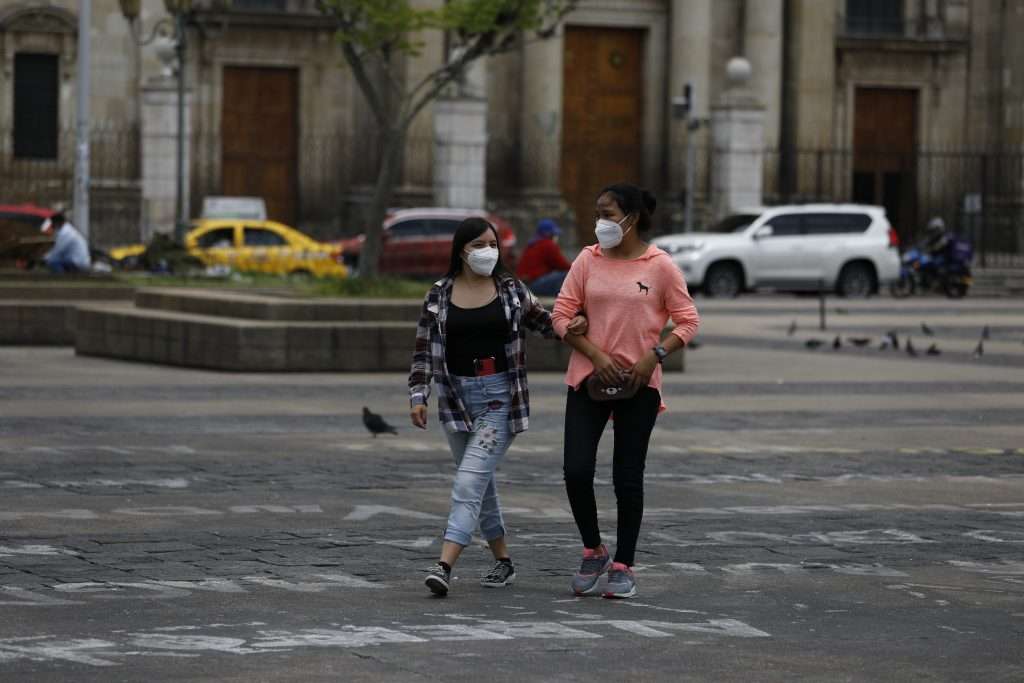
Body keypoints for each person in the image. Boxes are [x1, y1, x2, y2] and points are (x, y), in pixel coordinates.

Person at [409, 216, 587, 597]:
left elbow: (547, 323)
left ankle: (444, 565)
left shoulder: (511, 291)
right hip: (455, 401)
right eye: (478, 245)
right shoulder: (438, 294)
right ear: (461, 251)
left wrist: (576, 325)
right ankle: (503, 561)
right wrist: (418, 395)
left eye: (492, 244)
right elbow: (424, 350)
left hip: (499, 401)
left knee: (468, 481)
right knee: (481, 482)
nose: (487, 251)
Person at [551, 183, 700, 599]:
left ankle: (623, 563)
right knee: (576, 469)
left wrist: (654, 355)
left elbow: (687, 321)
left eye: (608, 214)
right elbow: (560, 316)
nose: (601, 222)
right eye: (597, 213)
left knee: (627, 477)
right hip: (587, 379)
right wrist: (595, 354)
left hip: (640, 384)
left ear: (632, 218)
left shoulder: (660, 266)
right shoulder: (586, 260)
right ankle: (593, 547)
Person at [515, 218, 573, 296]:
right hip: (534, 285)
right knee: (568, 273)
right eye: (554, 234)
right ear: (550, 234)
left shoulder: (532, 244)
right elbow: (563, 266)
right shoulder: (548, 244)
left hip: (524, 286)